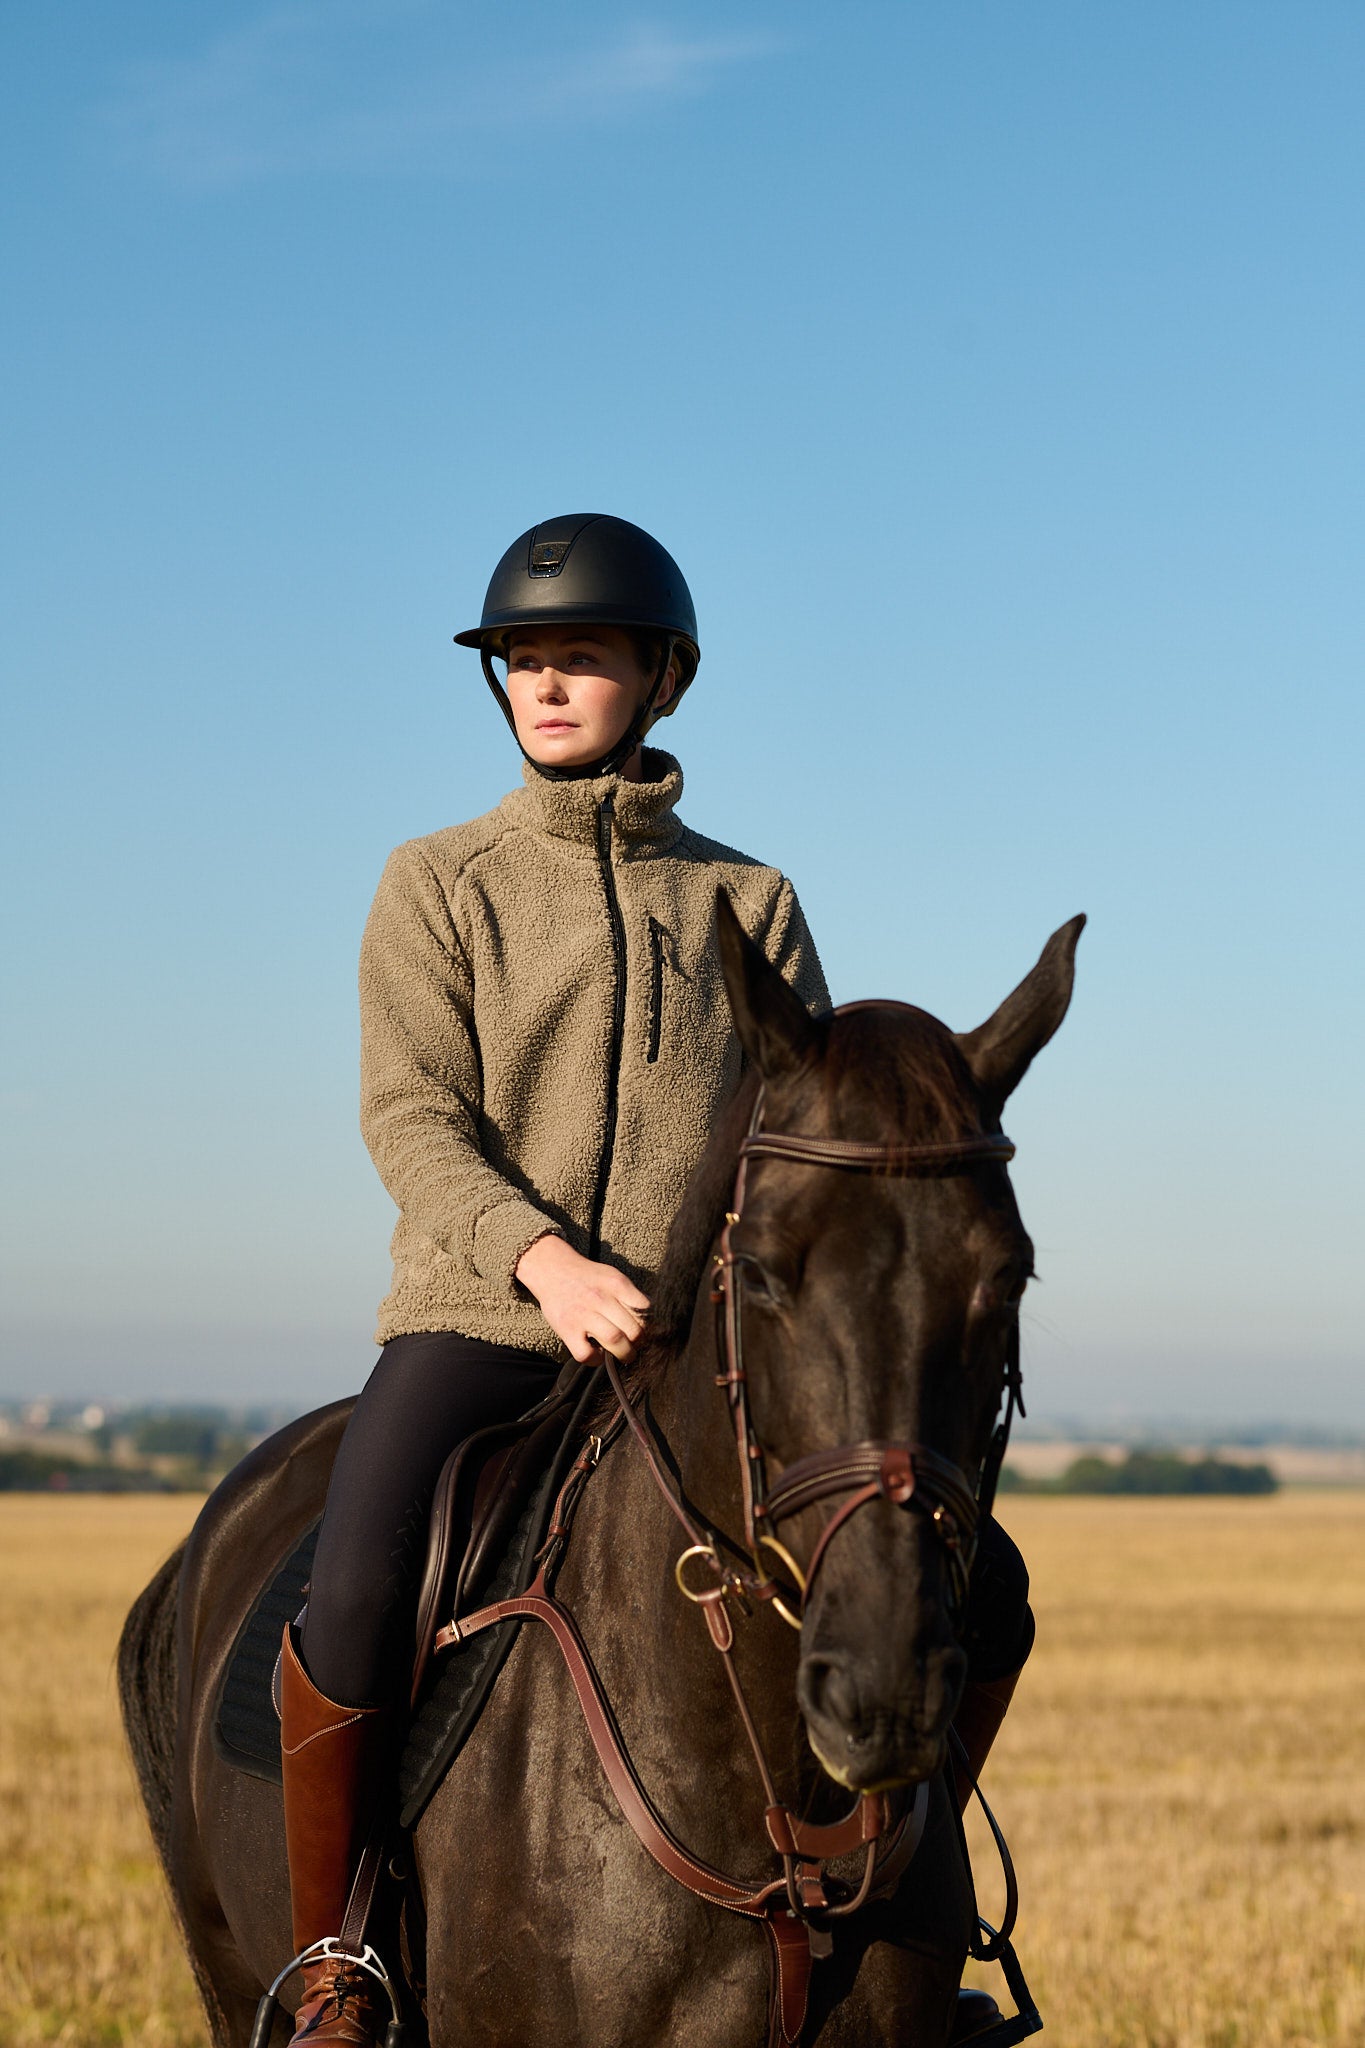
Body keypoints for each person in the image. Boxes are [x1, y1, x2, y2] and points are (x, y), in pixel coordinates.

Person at [274, 513, 1033, 2047]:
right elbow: (411, 1115)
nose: (546, 686)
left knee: (989, 1591)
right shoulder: (439, 883)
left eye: (585, 659)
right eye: (524, 662)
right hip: (482, 1320)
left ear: (662, 681)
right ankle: (336, 1959)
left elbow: (806, 1119)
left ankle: (911, 1916)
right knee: (354, 1587)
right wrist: (541, 1261)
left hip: (696, 1348)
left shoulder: (747, 901)